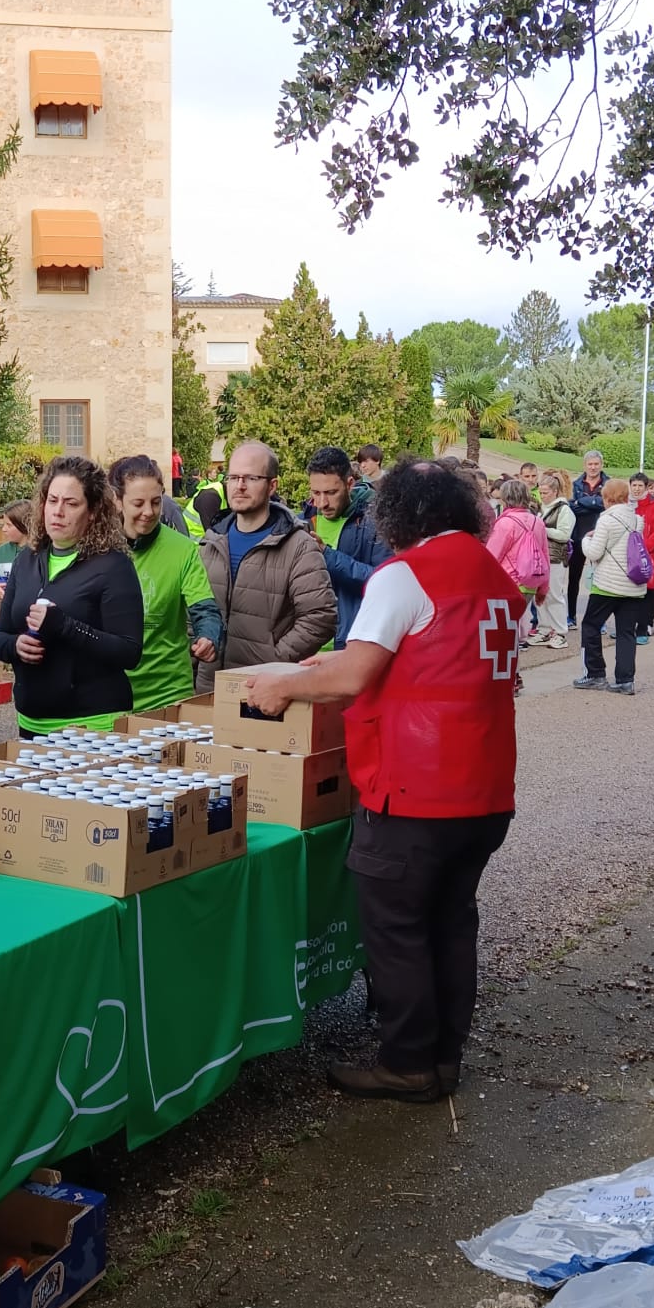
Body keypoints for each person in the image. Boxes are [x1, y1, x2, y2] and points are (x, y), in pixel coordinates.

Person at [234, 457, 516, 1101]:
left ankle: (408, 1062)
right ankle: (445, 1056)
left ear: (401, 515)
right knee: (451, 922)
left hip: (416, 787)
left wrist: (286, 685)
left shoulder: (405, 575)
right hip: (486, 786)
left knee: (396, 928)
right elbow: (427, 655)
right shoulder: (491, 574)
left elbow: (355, 675)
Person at [0, 456, 146, 732]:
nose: (57, 511)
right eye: (52, 500)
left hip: (93, 724)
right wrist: (16, 646)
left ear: (94, 510)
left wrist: (64, 626)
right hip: (32, 722)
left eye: (71, 503)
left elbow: (128, 652)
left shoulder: (113, 566)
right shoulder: (27, 559)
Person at [195, 441, 336, 691]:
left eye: (251, 478)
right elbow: (194, 609)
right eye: (234, 477)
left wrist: (273, 661)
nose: (239, 486)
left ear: (272, 485)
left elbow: (320, 617)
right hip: (211, 689)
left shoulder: (298, 545)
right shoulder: (211, 541)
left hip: (265, 690)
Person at [112, 454, 223, 711]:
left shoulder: (182, 549)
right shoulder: (98, 550)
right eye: (138, 503)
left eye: (156, 501)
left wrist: (208, 636)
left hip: (169, 692)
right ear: (118, 501)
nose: (149, 512)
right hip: (111, 693)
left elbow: (204, 607)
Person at [303, 445, 390, 646]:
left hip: (349, 646)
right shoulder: (302, 522)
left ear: (349, 484)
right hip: (304, 650)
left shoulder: (374, 524)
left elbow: (384, 581)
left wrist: (327, 555)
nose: (322, 502)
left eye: (331, 492)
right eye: (316, 492)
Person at [573, 478, 645, 694]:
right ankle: (626, 679)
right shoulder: (636, 519)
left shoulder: (606, 519)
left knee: (591, 625)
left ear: (607, 498)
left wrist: (586, 540)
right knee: (626, 632)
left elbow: (595, 552)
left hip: (608, 583)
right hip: (632, 584)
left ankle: (595, 673)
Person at [484, 476, 548, 663]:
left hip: (508, 582)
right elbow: (544, 555)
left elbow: (492, 557)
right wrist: (543, 588)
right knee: (515, 627)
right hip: (530, 582)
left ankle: (511, 675)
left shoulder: (505, 523)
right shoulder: (537, 522)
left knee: (504, 634)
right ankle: (515, 673)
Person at [533, 471, 575, 648]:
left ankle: (560, 632)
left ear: (555, 491)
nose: (542, 496)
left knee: (554, 594)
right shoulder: (540, 508)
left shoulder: (564, 510)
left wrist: (542, 529)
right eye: (541, 493)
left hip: (556, 557)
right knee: (539, 594)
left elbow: (565, 535)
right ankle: (543, 629)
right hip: (540, 557)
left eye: (546, 493)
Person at [564, 451, 606, 626]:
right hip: (578, 536)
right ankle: (571, 616)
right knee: (574, 578)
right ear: (585, 465)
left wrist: (583, 503)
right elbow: (571, 507)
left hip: (601, 535)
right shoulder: (575, 485)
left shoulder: (609, 484)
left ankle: (599, 620)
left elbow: (605, 503)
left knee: (601, 579)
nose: (593, 467)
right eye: (590, 464)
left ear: (601, 465)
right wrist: (594, 503)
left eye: (596, 464)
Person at [628, 471, 654, 645]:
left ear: (646, 487)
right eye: (634, 485)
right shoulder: (625, 504)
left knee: (646, 590)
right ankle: (627, 627)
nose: (636, 489)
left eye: (640, 486)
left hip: (646, 554)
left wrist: (643, 548)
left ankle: (643, 627)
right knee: (627, 592)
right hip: (626, 554)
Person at [0, 500, 31, 602]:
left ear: (24, 525)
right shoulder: (2, 551)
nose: (4, 529)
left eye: (8, 525)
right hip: (7, 613)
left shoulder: (40, 552)